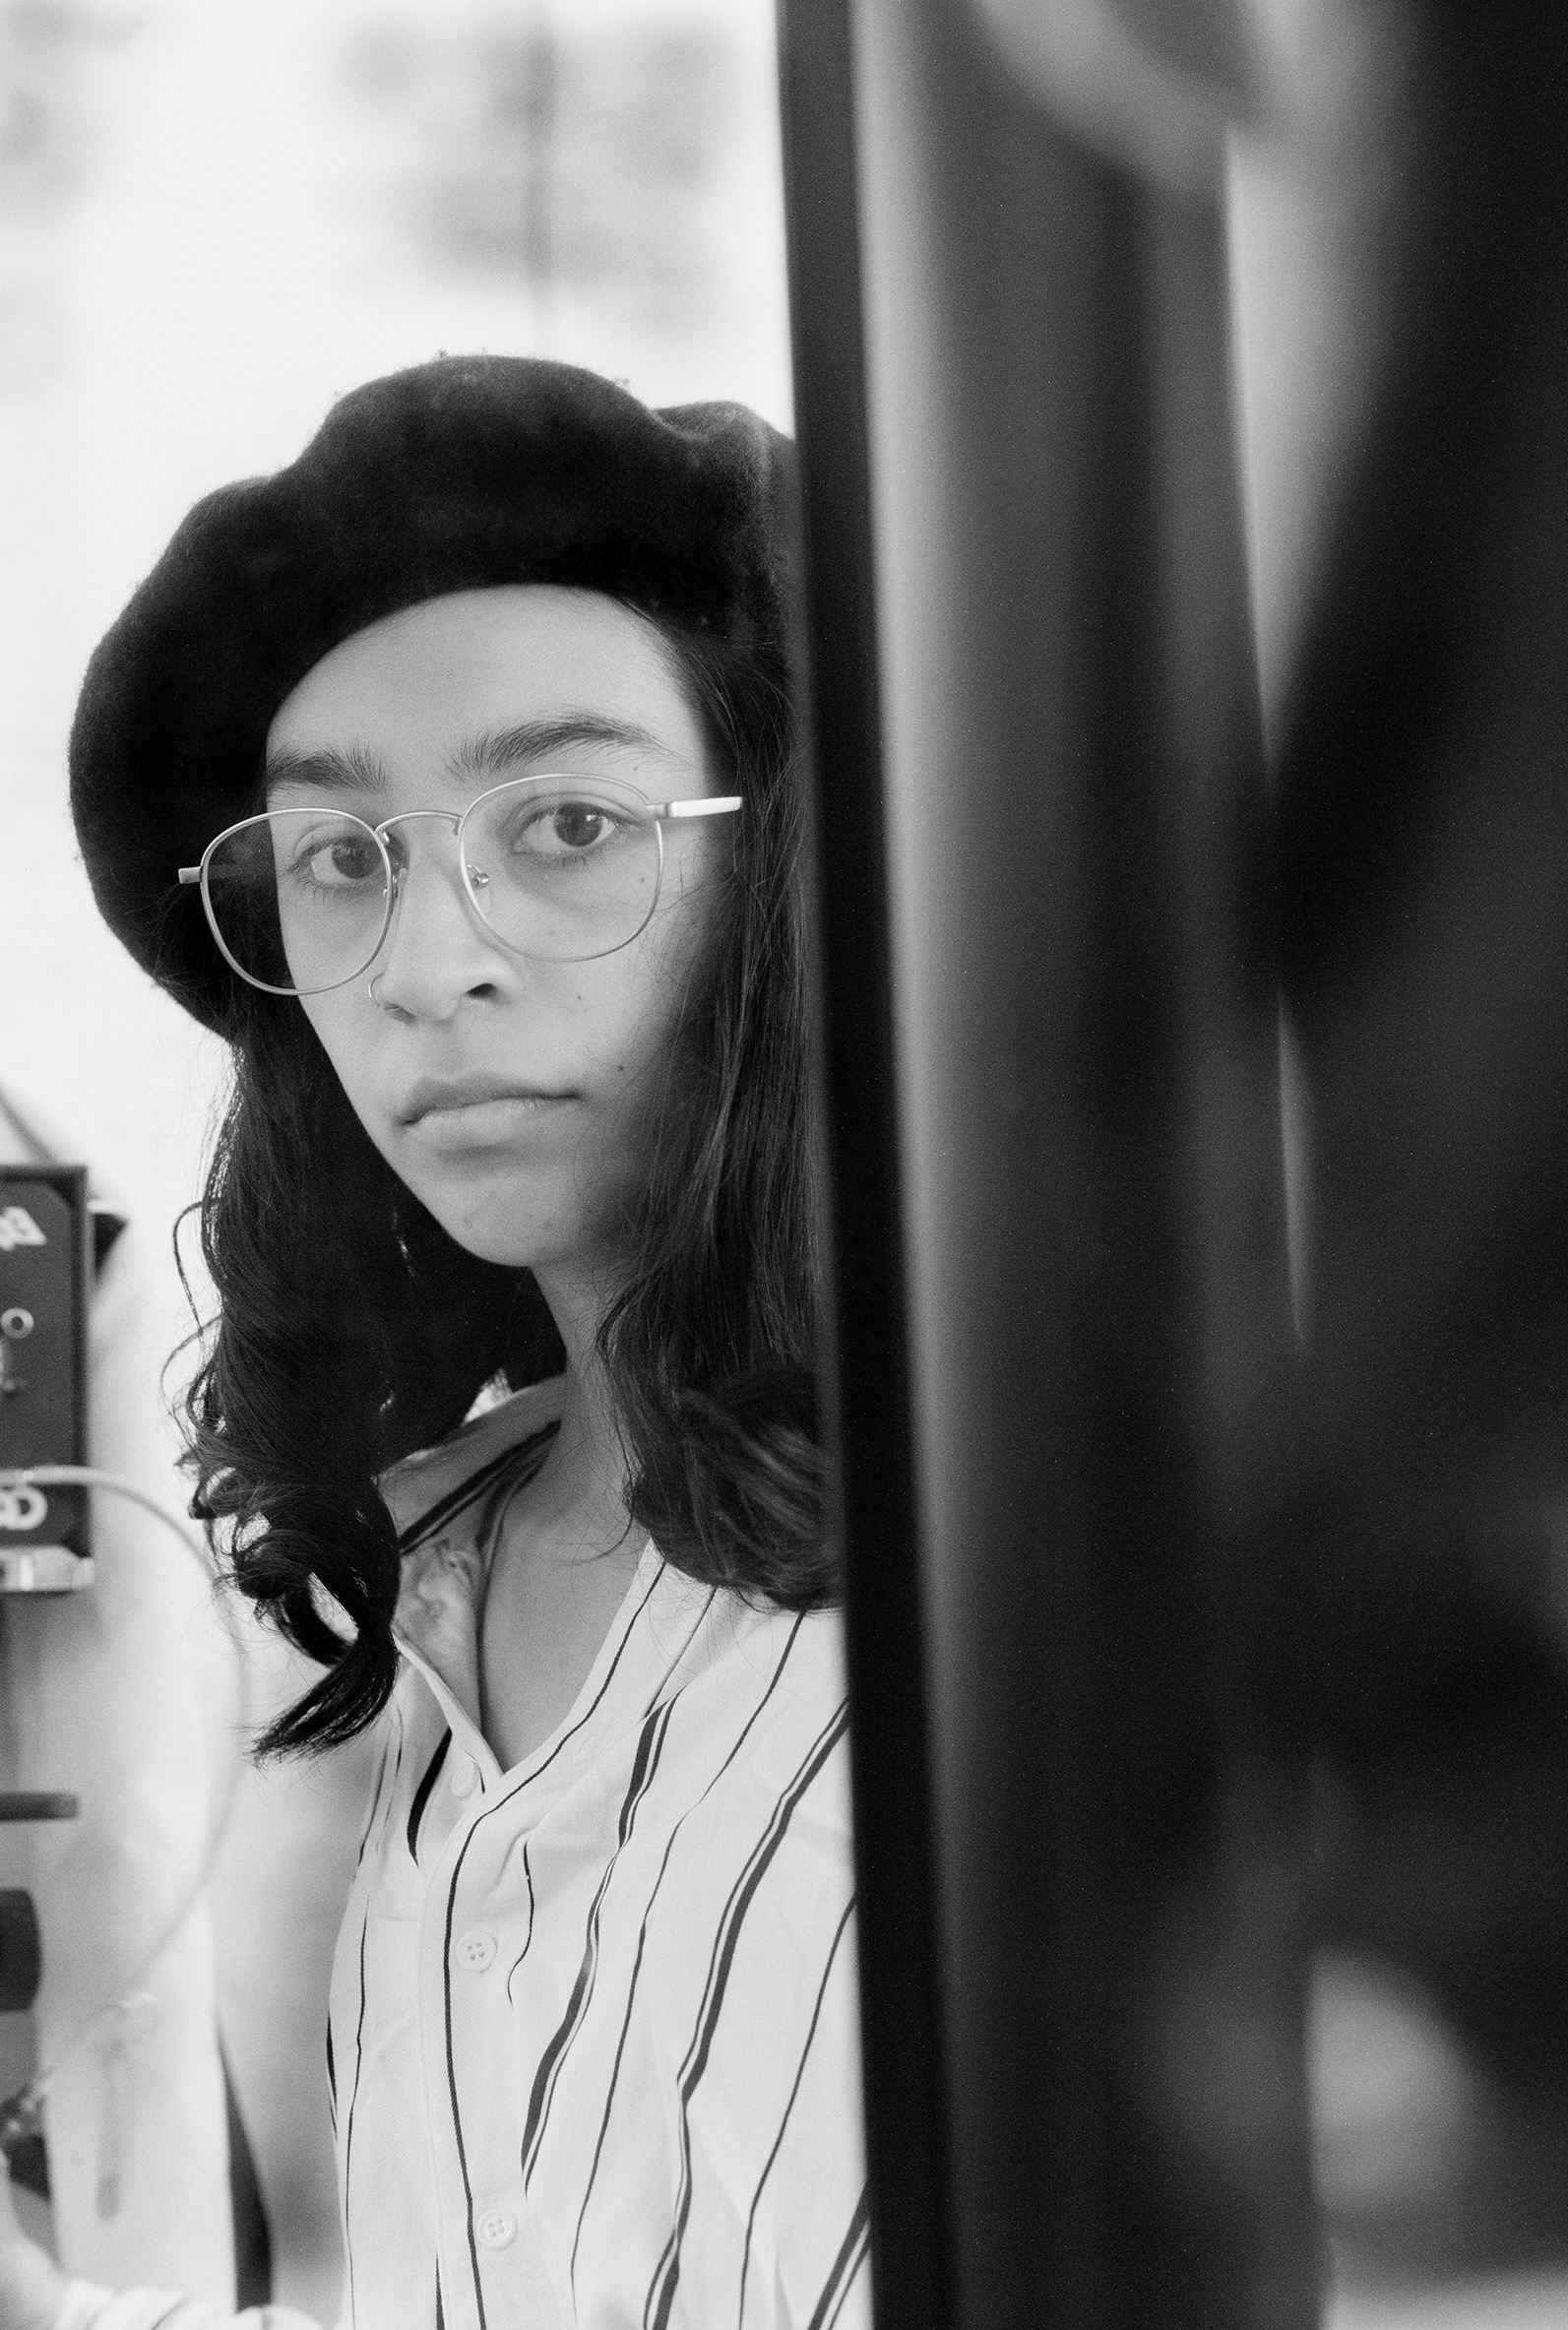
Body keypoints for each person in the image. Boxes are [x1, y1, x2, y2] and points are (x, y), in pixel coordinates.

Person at [0, 355, 868, 2330]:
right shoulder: (399, 1596)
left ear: (791, 872)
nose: (430, 959)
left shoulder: (1023, 1559)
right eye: (342, 858)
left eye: (565, 822)